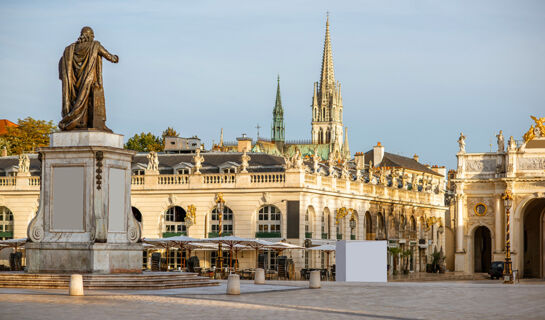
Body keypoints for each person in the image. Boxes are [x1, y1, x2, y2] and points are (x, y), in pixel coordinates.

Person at [58, 26, 119, 131]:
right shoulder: (95, 45)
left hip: (73, 84)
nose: (93, 37)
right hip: (88, 81)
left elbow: (61, 65)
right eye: (92, 35)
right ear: (89, 35)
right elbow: (111, 57)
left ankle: (79, 122)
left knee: (79, 102)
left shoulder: (70, 50)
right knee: (91, 101)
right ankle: (93, 123)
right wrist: (116, 58)